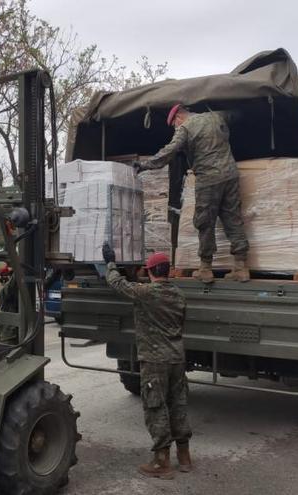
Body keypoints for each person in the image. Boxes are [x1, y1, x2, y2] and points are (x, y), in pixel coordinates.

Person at [102, 242, 192, 479]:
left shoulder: (146, 294)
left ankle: (162, 461)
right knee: (178, 405)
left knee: (156, 407)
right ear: (169, 271)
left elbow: (117, 284)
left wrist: (110, 262)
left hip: (154, 361)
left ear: (150, 271)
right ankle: (184, 457)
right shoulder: (179, 295)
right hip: (176, 358)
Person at [135, 104, 250, 282]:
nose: (175, 128)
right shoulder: (216, 115)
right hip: (231, 175)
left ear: (178, 118)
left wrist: (145, 165)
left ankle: (205, 268)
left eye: (174, 125)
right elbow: (237, 113)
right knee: (233, 218)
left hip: (208, 179)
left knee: (204, 222)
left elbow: (169, 151)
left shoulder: (186, 128)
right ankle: (241, 267)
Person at [0, 264, 19, 344]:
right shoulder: (2, 291)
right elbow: (13, 283)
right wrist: (18, 267)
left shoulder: (14, 292)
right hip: (8, 336)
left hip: (16, 333)